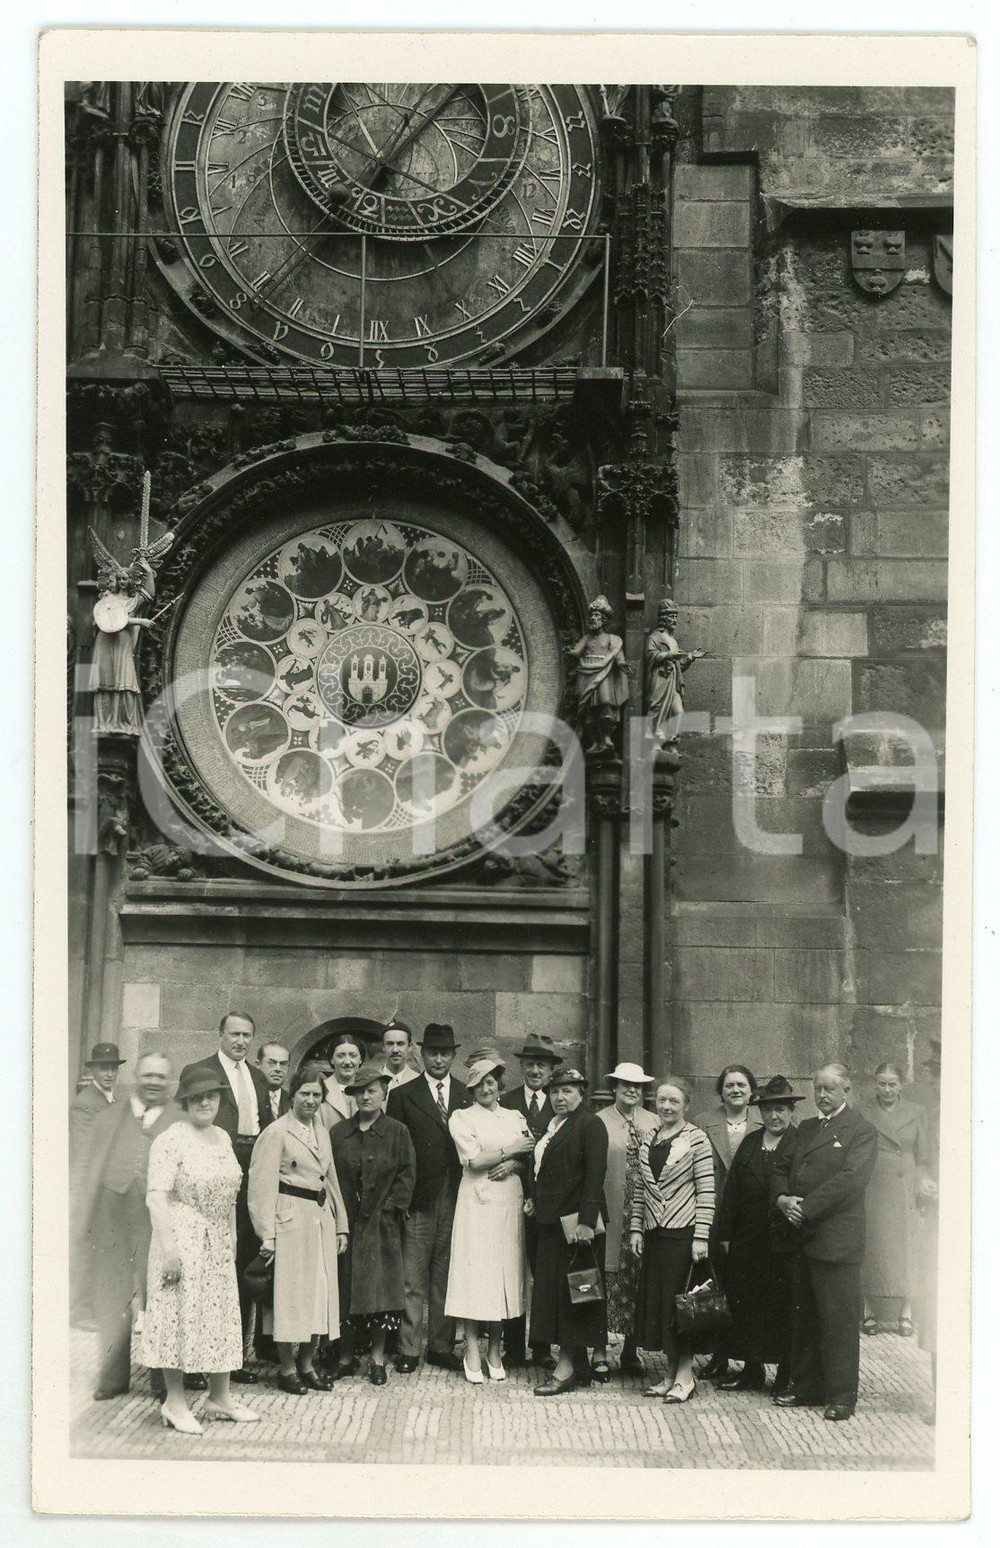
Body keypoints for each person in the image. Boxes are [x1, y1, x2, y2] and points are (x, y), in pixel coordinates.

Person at [141, 1066, 259, 1433]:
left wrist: (233, 1241)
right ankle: (174, 1404)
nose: (205, 1101)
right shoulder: (170, 1140)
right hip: (180, 1236)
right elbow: (156, 1198)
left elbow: (230, 1197)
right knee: (178, 1316)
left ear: (221, 1099)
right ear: (185, 1101)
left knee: (221, 1316)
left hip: (219, 1239)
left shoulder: (222, 1138)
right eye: (196, 1096)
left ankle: (218, 1398)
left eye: (211, 1095)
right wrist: (169, 1250)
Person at [772, 1063, 878, 1422]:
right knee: (804, 1316)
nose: (822, 1094)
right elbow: (780, 1167)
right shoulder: (805, 1128)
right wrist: (782, 1199)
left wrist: (807, 1209)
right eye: (818, 1088)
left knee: (839, 1321)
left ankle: (841, 1396)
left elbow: (851, 1180)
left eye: (830, 1088)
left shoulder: (861, 1130)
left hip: (836, 1240)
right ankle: (806, 1387)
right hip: (802, 1237)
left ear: (846, 1090)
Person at [178, 1012, 276, 1382]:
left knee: (240, 1271)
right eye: (234, 1033)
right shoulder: (197, 1070)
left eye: (246, 1035)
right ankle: (193, 1363)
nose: (240, 1041)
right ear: (219, 1034)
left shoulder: (258, 1078)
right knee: (203, 1270)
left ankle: (231, 1358)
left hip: (249, 1180)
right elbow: (182, 1123)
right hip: (210, 1180)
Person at [75, 1053, 178, 1400]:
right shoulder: (110, 1115)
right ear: (135, 1075)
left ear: (170, 1081)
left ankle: (164, 1381)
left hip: (156, 1216)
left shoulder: (179, 1119)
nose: (153, 1082)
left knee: (160, 1295)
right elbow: (89, 1165)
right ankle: (112, 1378)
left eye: (161, 1077)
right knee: (111, 1296)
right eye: (148, 1074)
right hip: (112, 1212)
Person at [248, 1062, 350, 1394]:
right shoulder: (277, 1132)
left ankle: (307, 1364)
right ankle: (287, 1367)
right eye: (305, 1094)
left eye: (316, 1095)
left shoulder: (321, 1130)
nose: (310, 1100)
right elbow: (260, 1186)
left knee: (320, 1294)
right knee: (290, 1297)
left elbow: (330, 1179)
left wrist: (341, 1226)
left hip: (320, 1219)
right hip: (289, 1221)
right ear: (293, 1096)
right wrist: (268, 1234)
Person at [386, 1023, 473, 1373]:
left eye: (446, 1053)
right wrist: (400, 1200)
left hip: (456, 1197)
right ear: (421, 1054)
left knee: (444, 1276)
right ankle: (408, 1349)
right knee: (413, 1278)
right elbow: (395, 1153)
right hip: (418, 1200)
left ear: (454, 1056)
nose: (439, 1058)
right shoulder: (403, 1095)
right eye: (433, 1052)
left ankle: (440, 1346)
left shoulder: (467, 1095)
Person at [445, 1052, 534, 1382]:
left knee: (503, 1274)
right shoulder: (462, 1117)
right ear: (472, 1088)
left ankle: (495, 1351)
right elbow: (474, 1161)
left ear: (500, 1085)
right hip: (476, 1202)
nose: (486, 1088)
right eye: (479, 1083)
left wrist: (513, 1164)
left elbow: (528, 1155)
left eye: (491, 1082)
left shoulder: (514, 1116)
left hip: (509, 1200)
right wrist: (510, 1151)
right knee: (475, 1274)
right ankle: (471, 1349)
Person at [630, 1077, 715, 1404]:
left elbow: (707, 1191)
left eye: (673, 1102)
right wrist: (637, 1228)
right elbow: (640, 1188)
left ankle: (684, 1376)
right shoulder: (648, 1137)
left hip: (684, 1234)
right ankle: (669, 1374)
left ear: (686, 1106)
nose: (666, 1107)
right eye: (662, 1101)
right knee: (664, 1307)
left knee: (683, 1308)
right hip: (655, 1234)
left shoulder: (697, 1139)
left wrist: (701, 1236)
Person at [715, 1075, 802, 1394]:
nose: (774, 1117)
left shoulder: (799, 1142)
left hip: (783, 1242)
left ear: (791, 1111)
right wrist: (725, 1233)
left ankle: (785, 1372)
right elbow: (733, 1189)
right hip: (747, 1240)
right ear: (759, 1113)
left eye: (780, 1109)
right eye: (768, 1111)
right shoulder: (751, 1142)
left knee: (781, 1307)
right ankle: (752, 1368)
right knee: (747, 1304)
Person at [331, 1061, 417, 1385]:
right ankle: (345, 1356)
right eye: (359, 1092)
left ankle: (378, 1359)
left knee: (380, 1293)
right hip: (348, 1225)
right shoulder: (339, 1133)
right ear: (352, 1097)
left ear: (383, 1093)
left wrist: (390, 1208)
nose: (366, 1097)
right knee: (346, 1290)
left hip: (382, 1226)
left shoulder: (397, 1131)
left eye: (372, 1091)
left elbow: (407, 1175)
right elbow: (330, 1177)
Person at [527, 1063, 609, 1397]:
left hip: (577, 1226)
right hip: (551, 1223)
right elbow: (545, 1170)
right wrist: (535, 1199)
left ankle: (566, 1368)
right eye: (555, 1091)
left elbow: (594, 1175)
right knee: (561, 1294)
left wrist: (586, 1222)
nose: (560, 1097)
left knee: (576, 1295)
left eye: (568, 1091)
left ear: (581, 1093)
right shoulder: (555, 1125)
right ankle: (581, 1365)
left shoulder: (591, 1124)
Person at [590, 1062, 658, 1380]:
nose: (632, 1090)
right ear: (614, 1087)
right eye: (626, 1084)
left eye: (638, 1086)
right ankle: (600, 1350)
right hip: (611, 1209)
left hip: (644, 1212)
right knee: (605, 1279)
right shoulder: (599, 1121)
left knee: (639, 1279)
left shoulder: (654, 1121)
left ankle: (631, 1351)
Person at [499, 1032, 562, 1369]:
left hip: (546, 1205)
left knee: (543, 1273)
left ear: (551, 1070)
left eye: (542, 1064)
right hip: (508, 1198)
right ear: (520, 1066)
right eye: (530, 1063)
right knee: (511, 1270)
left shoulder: (560, 1103)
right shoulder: (506, 1101)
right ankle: (511, 1347)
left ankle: (540, 1345)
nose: (536, 1070)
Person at [694, 1063, 759, 1382]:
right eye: (730, 1085)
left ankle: (752, 1360)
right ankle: (718, 1355)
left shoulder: (764, 1121)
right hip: (713, 1211)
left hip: (750, 1219)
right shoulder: (704, 1123)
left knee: (749, 1288)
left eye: (742, 1085)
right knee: (714, 1285)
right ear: (721, 1090)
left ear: (751, 1091)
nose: (735, 1090)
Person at [860, 1061, 930, 1336]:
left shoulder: (916, 1112)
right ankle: (869, 1312)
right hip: (874, 1187)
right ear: (875, 1084)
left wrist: (923, 1183)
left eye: (892, 1084)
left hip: (905, 1188)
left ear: (901, 1085)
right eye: (882, 1083)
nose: (887, 1089)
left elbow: (923, 1156)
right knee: (872, 1246)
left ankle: (906, 1313)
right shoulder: (864, 1112)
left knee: (907, 1247)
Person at [565, 595, 630, 757]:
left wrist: (622, 664)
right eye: (592, 616)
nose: (593, 619)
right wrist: (570, 650)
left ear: (604, 620)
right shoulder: (586, 638)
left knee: (605, 702)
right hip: (586, 672)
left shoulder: (612, 639)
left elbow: (618, 655)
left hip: (603, 672)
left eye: (597, 616)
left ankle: (607, 738)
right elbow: (576, 651)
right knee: (589, 709)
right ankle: (595, 741)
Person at [915, 1040, 941, 1423]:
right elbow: (922, 1160)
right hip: (940, 1224)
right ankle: (942, 1395)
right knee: (940, 1309)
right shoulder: (932, 1115)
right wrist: (923, 1179)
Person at [644, 596, 705, 746]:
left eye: (675, 616)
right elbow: (650, 655)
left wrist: (690, 657)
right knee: (656, 707)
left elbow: (679, 666)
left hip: (673, 681)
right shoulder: (654, 637)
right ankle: (653, 743)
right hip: (660, 679)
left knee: (678, 713)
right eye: (671, 617)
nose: (675, 620)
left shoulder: (674, 642)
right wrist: (669, 655)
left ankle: (668, 741)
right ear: (663, 619)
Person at [320, 1033, 364, 1129]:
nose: (347, 1062)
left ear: (360, 1059)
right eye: (341, 1056)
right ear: (332, 1059)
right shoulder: (320, 1090)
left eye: (353, 1056)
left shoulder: (369, 1089)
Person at [380, 1020, 421, 1093]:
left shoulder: (419, 1082)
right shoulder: (373, 1079)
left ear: (410, 1046)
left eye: (400, 1044)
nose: (395, 1050)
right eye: (390, 1044)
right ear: (383, 1046)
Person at [255, 1042, 291, 1121]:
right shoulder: (248, 1097)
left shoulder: (293, 1102)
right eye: (272, 1063)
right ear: (258, 1065)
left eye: (283, 1064)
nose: (278, 1069)